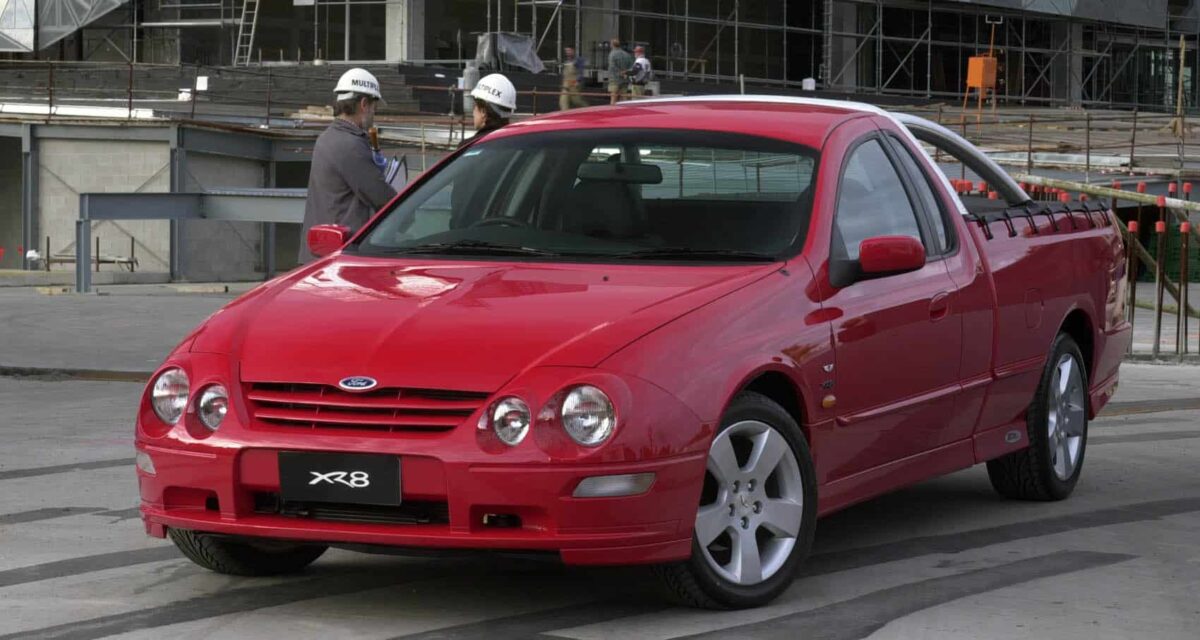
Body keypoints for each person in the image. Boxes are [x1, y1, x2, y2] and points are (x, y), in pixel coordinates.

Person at [298, 68, 397, 263]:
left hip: (324, 252)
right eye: (374, 107)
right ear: (364, 104)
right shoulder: (349, 144)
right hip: (340, 256)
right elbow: (379, 196)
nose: (374, 114)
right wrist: (408, 208)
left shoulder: (328, 137)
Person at [459, 73, 516, 148]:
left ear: (483, 112)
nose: (473, 113)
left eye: (475, 106)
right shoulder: (518, 142)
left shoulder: (468, 147)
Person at [607, 38, 633, 104]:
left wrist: (620, 73)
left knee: (613, 97)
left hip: (614, 79)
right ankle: (624, 109)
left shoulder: (612, 54)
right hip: (625, 79)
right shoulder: (627, 54)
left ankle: (612, 110)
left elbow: (612, 66)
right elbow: (631, 67)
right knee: (624, 97)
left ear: (612, 45)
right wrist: (625, 73)